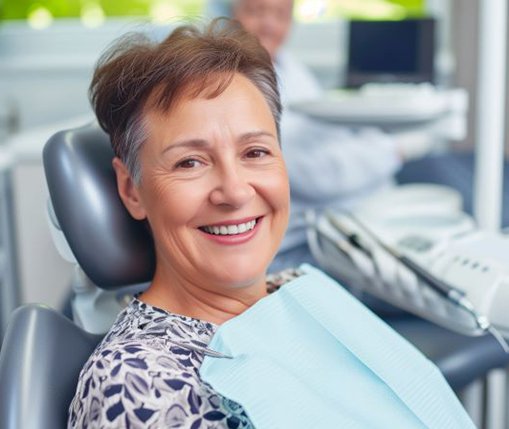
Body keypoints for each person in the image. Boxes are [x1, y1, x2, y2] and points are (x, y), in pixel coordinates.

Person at [68, 18, 472, 429]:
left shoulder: (303, 291)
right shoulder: (139, 385)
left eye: (256, 152)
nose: (236, 192)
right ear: (132, 190)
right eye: (190, 162)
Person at [222, 0, 434, 272]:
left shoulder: (289, 67)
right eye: (257, 11)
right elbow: (316, 175)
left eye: (281, 15)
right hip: (310, 239)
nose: (269, 25)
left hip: (359, 208)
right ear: (231, 15)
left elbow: (333, 135)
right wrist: (393, 150)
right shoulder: (236, 82)